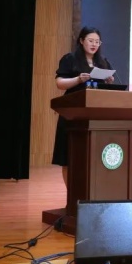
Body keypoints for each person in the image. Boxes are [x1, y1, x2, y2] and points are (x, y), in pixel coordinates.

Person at [52, 26, 114, 190]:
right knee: (69, 158)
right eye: (90, 41)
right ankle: (72, 196)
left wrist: (109, 81)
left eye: (97, 42)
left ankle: (92, 193)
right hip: (73, 114)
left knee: (93, 157)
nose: (94, 44)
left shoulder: (103, 62)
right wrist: (78, 79)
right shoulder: (70, 59)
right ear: (81, 41)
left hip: (95, 115)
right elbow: (60, 83)